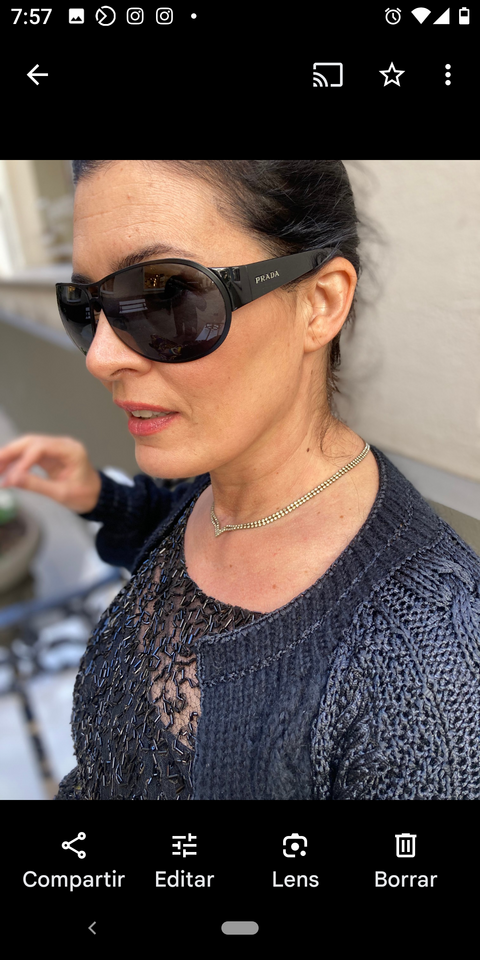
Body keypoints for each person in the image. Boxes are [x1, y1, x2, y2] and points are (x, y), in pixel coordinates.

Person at [0, 159, 479, 800]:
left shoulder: (429, 663)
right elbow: (172, 535)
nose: (101, 357)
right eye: (87, 305)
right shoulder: (218, 484)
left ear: (320, 302)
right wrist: (99, 495)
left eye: (165, 296)